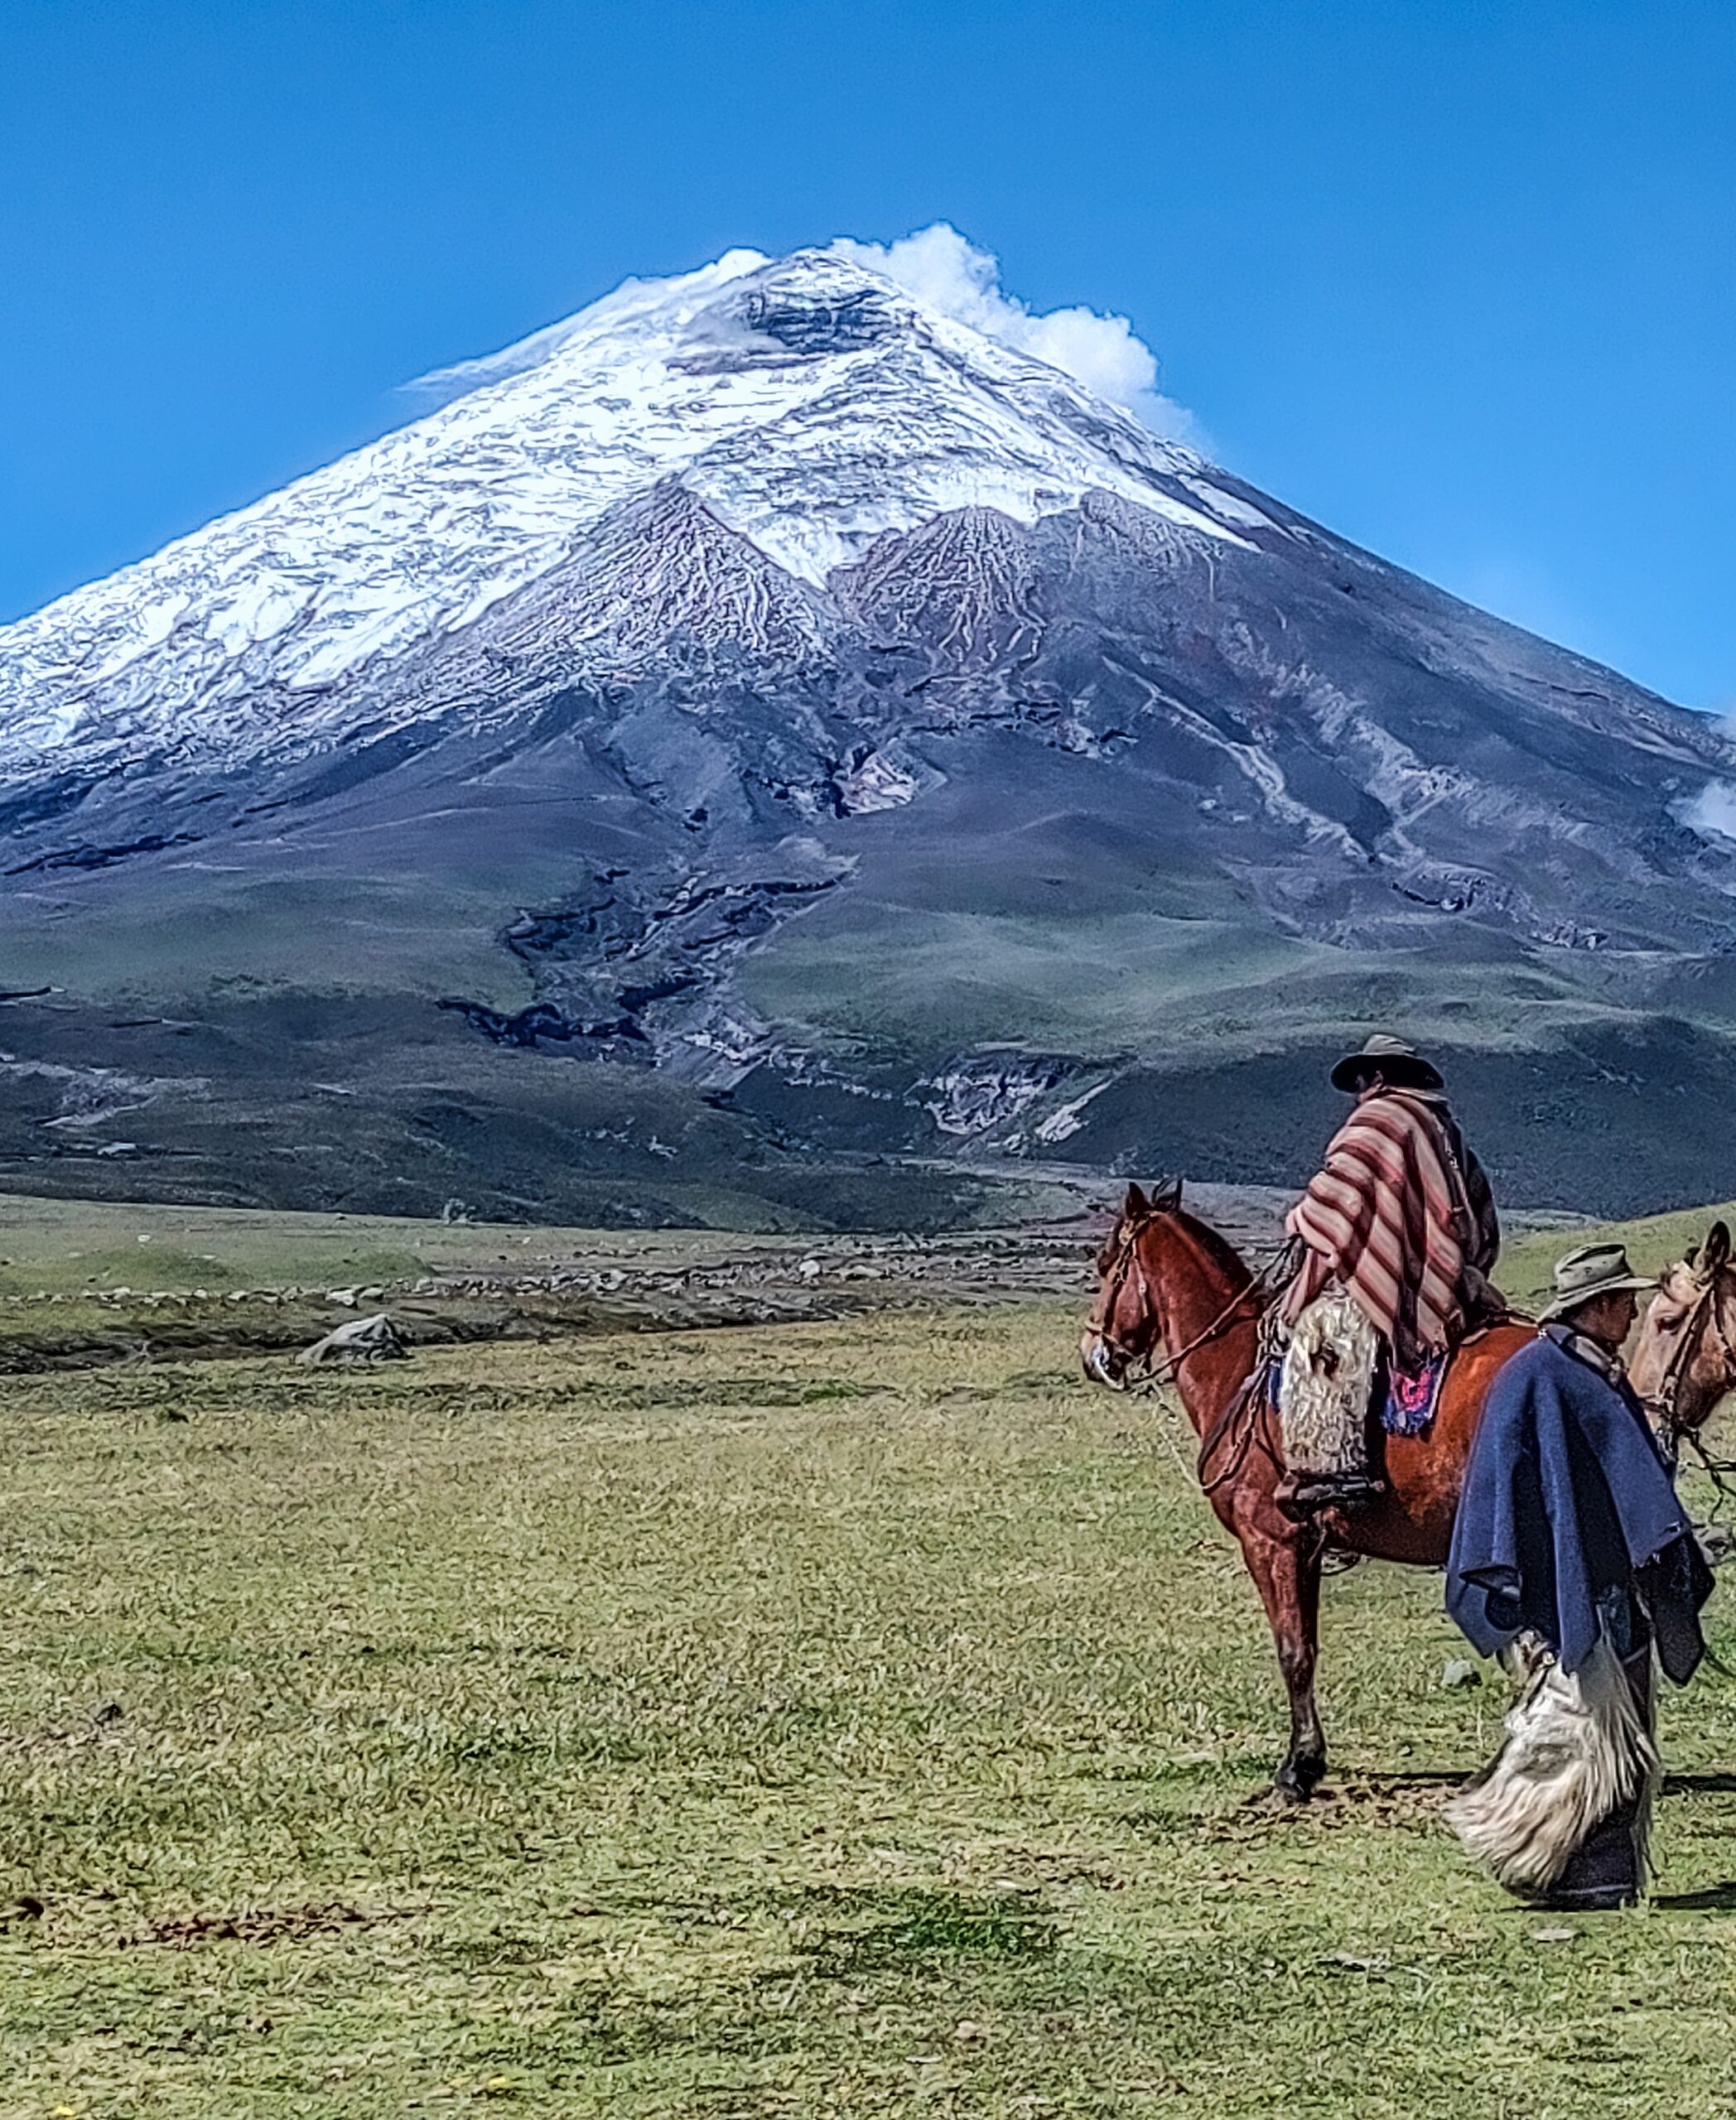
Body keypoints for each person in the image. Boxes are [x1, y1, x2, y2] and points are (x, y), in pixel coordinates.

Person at [1444, 1243, 1713, 1910]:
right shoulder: (1540, 1375)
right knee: (1585, 1731)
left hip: (1614, 1581)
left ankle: (1600, 1875)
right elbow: (1511, 1485)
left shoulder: (1592, 1371)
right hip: (1571, 1586)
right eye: (1623, 1300)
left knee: (1624, 1729)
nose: (1633, 1309)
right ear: (1593, 1307)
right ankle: (1540, 1855)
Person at [1275, 1033, 1501, 1515]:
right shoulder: (1443, 1126)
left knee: (1323, 1337)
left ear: (1377, 1076)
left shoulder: (1376, 1121)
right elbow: (1478, 1210)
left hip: (1403, 1287)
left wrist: (1298, 1284)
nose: (1358, 1090)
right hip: (1453, 1281)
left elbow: (1336, 1212)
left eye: (1361, 1079)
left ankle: (1332, 1471)